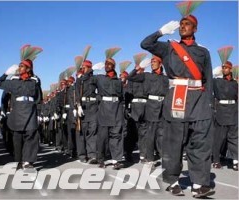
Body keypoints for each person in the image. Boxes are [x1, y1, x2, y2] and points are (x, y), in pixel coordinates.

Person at [141, 14, 214, 197]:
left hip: (198, 100)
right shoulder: (169, 48)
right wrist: (160, 32)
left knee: (200, 143)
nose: (182, 27)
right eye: (181, 24)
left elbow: (209, 79)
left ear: (195, 29)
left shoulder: (203, 52)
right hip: (177, 97)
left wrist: (208, 103)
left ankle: (199, 184)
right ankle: (172, 180)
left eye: (187, 24)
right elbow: (145, 44)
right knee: (173, 143)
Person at [0, 45, 43, 169]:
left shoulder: (35, 80)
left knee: (31, 137)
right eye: (19, 66)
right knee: (17, 138)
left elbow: (39, 98)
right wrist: (5, 73)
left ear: (28, 69)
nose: (19, 68)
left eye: (21, 66)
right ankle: (18, 161)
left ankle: (28, 161)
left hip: (30, 111)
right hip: (18, 112)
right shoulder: (14, 81)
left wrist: (39, 113)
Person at [92, 55, 124, 170]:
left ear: (113, 66)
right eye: (105, 64)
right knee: (102, 137)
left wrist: (122, 113)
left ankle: (117, 160)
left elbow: (122, 98)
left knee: (116, 135)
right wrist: (92, 69)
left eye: (109, 64)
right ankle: (101, 159)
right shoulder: (99, 78)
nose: (106, 66)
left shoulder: (119, 81)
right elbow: (84, 80)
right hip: (104, 110)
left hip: (116, 110)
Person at [212, 60, 238, 171]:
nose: (224, 69)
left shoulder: (235, 83)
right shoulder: (217, 82)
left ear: (230, 69)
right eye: (223, 67)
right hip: (221, 112)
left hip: (233, 111)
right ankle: (216, 160)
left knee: (233, 137)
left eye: (226, 67)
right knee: (219, 137)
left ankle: (235, 160)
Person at [75, 60, 98, 164]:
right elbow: (77, 93)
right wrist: (78, 106)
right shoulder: (80, 80)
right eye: (82, 68)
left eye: (84, 67)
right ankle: (82, 155)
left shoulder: (94, 78)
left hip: (93, 107)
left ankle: (92, 155)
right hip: (83, 107)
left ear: (89, 67)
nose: (82, 69)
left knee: (92, 131)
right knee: (82, 132)